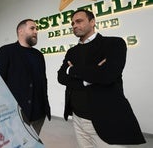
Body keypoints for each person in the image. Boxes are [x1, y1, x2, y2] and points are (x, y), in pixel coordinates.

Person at [57, 9, 146, 147]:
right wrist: (92, 75)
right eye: (72, 23)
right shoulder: (72, 51)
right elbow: (61, 77)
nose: (74, 25)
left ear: (92, 22)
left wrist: (72, 69)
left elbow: (108, 76)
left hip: (107, 118)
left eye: (79, 21)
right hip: (77, 118)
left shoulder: (114, 44)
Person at [0, 19, 51, 135]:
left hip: (39, 115)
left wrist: (45, 108)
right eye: (32, 28)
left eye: (36, 29)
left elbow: (43, 82)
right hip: (16, 116)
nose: (36, 31)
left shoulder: (39, 55)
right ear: (21, 31)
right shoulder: (6, 51)